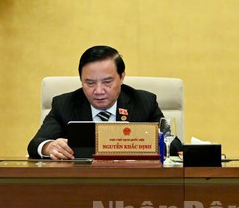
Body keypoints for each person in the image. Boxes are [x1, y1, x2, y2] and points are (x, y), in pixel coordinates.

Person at [27, 45, 182, 159]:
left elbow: (174, 143)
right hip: (81, 182)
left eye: (107, 82)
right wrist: (49, 147)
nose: (99, 91)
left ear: (122, 77)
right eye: (90, 83)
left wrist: (143, 141)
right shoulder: (64, 104)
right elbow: (36, 144)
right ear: (81, 80)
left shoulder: (145, 101)